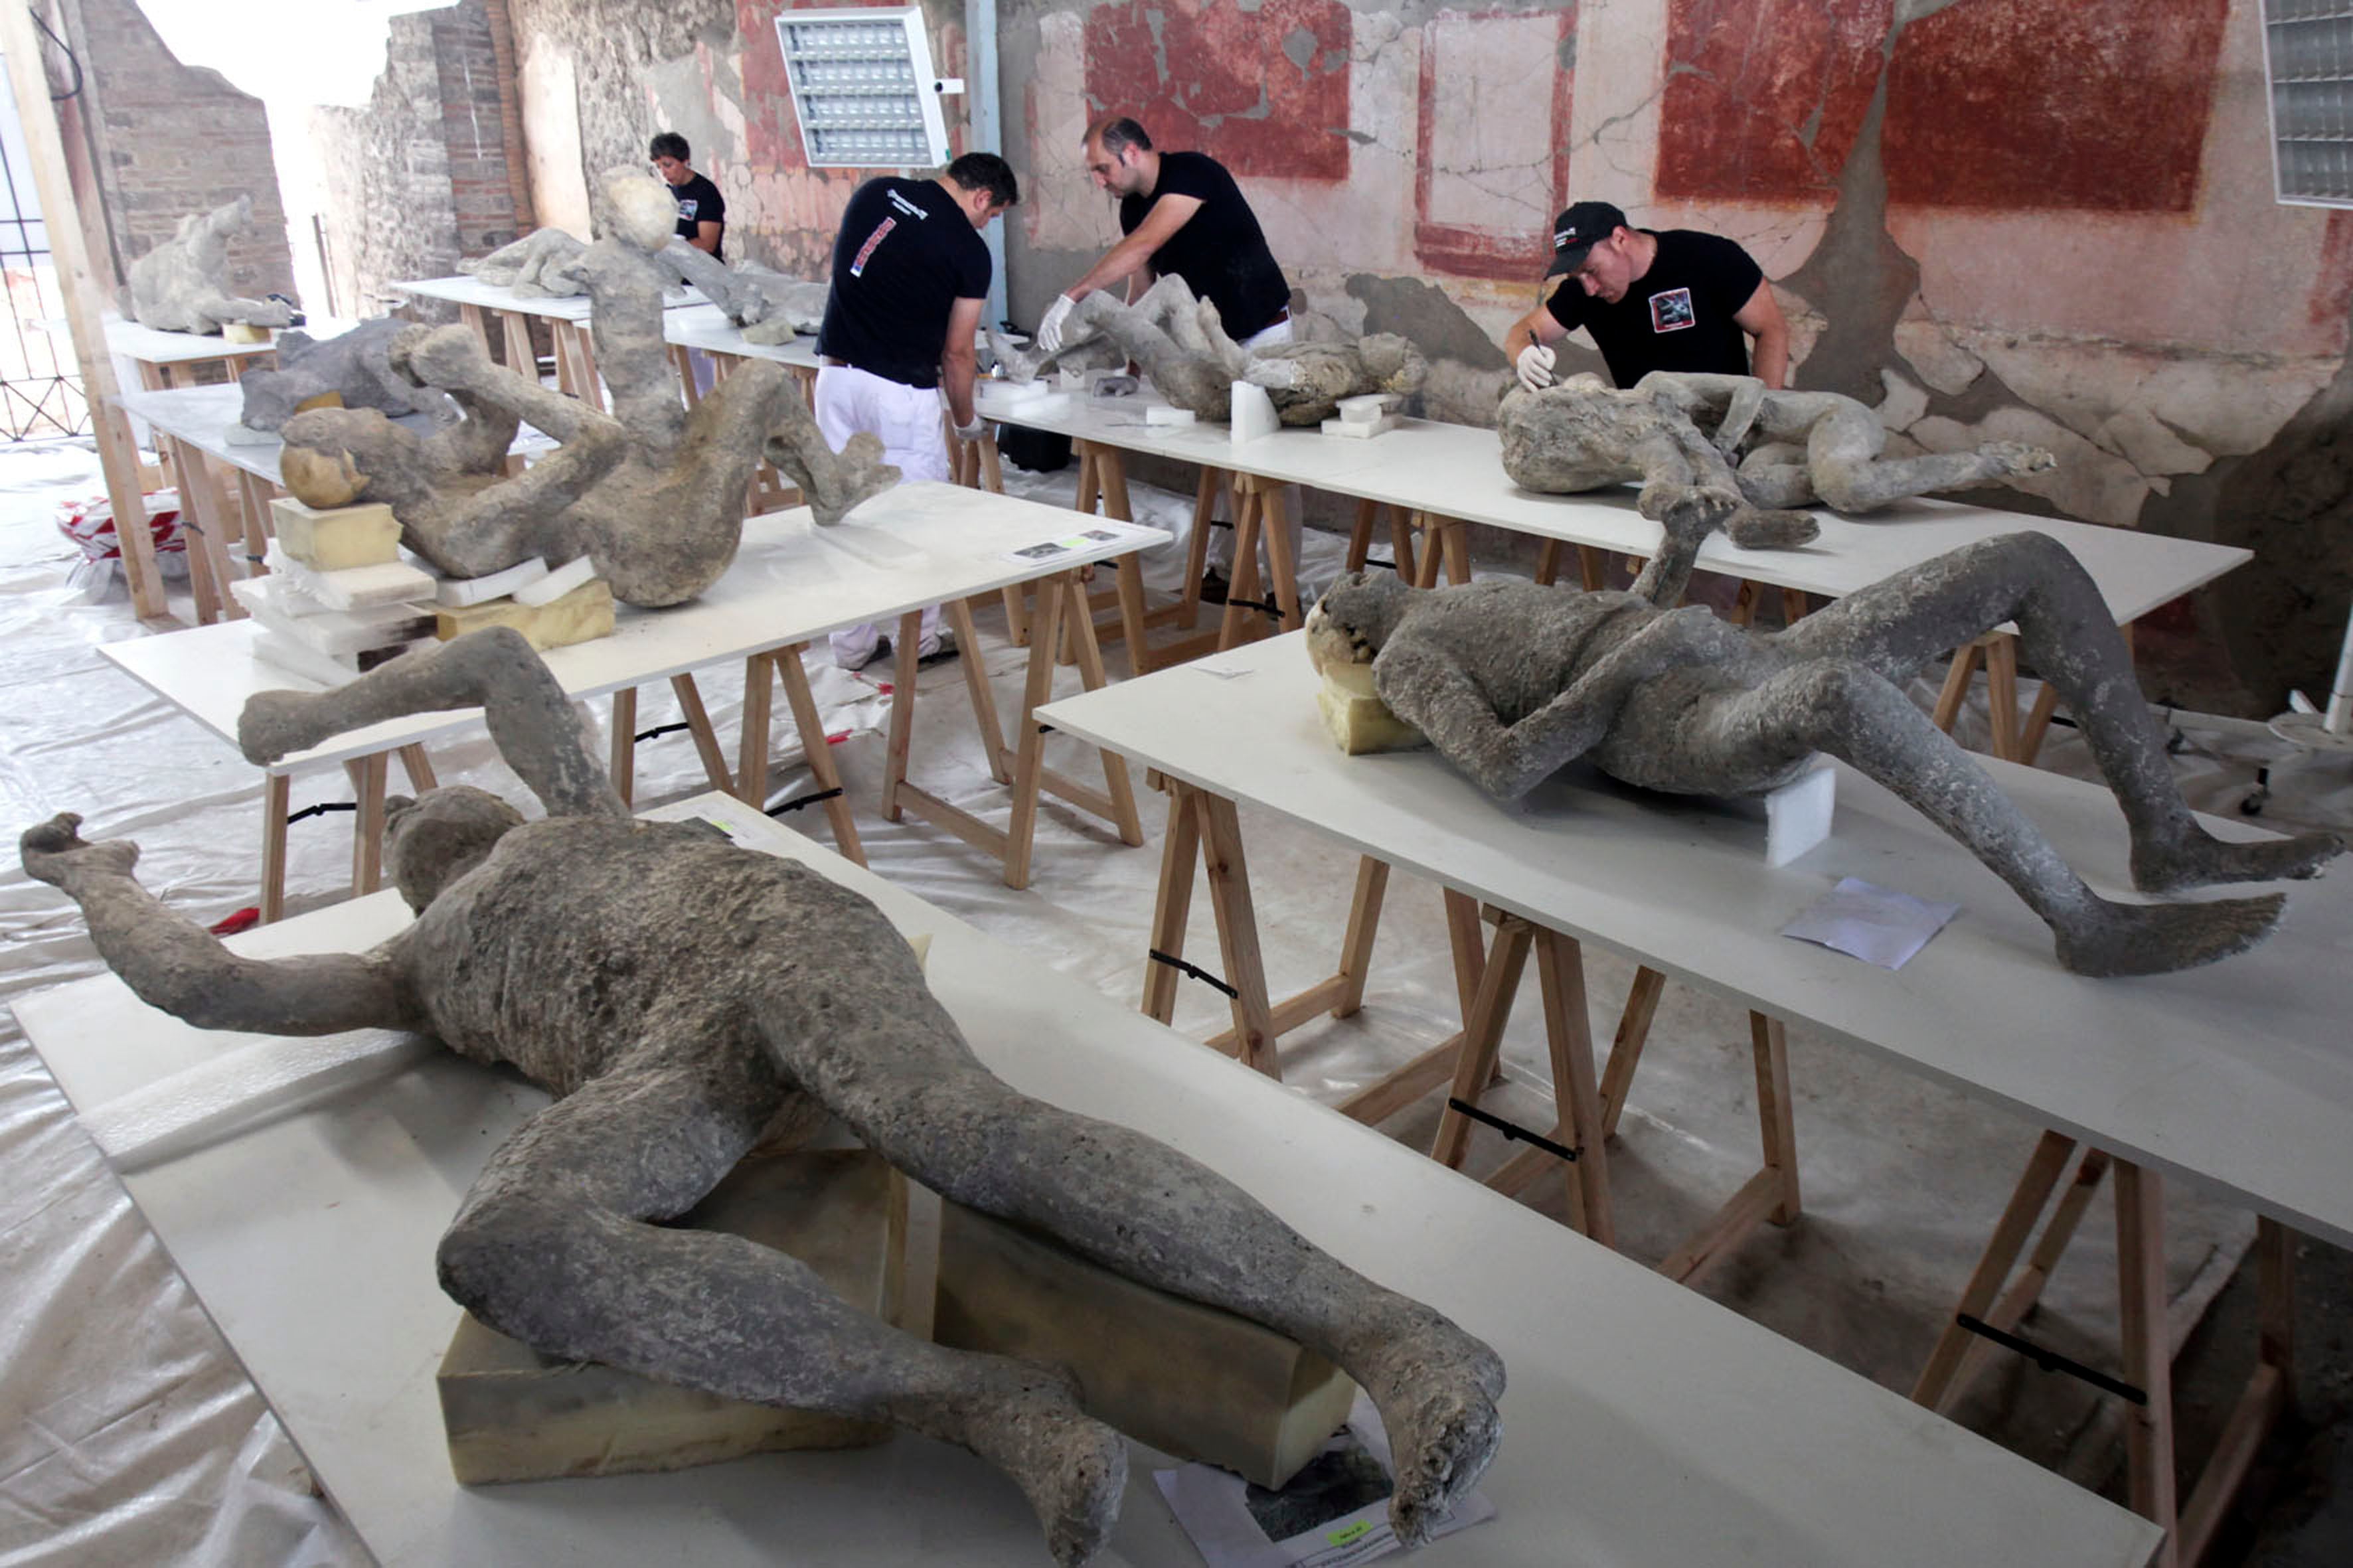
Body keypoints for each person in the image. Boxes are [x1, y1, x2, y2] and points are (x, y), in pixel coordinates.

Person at [20, 628, 1506, 1568]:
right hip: (660, 1058)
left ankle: (1402, 1332)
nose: (431, 815)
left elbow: (494, 665)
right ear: (414, 873)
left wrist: (303, 713)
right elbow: (209, 988)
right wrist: (100, 878)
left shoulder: (575, 815)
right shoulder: (403, 968)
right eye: (416, 822)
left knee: (965, 1130)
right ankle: (983, 1403)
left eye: (435, 804)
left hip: (756, 934)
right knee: (504, 1243)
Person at [1305, 540, 2344, 977]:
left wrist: (1674, 555)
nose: (1344, 579)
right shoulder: (1407, 658)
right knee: (1843, 694)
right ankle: (2083, 921)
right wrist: (1630, 670)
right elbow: (1504, 767)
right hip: (1663, 724)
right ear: (1347, 642)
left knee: (2024, 561)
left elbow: (1604, 623)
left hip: (1705, 655)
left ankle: (2167, 836)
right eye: (1331, 598)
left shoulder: (1457, 593)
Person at [1039, 117, 1296, 597]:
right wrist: (1130, 368)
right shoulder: (1133, 207)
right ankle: (1226, 571)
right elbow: (1143, 282)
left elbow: (1144, 247)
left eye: (1102, 169)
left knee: (1270, 464)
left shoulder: (1193, 174)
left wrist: (1074, 295)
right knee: (1220, 457)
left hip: (1261, 333)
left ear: (1132, 152)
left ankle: (1284, 582)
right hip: (1207, 341)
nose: (1099, 182)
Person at [815, 151, 1018, 669]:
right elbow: (958, 352)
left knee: (844, 515)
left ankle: (852, 646)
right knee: (918, 520)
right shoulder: (968, 252)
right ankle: (919, 643)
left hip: (835, 378)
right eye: (991, 215)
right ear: (981, 197)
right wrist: (968, 420)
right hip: (898, 395)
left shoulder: (874, 192)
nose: (986, 225)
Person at [1503, 200, 1788, 398]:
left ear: (1620, 239)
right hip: (1650, 433)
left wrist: (1760, 414)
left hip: (1722, 423)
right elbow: (1524, 331)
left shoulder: (1708, 258)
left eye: (1592, 270)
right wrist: (1524, 354)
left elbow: (1771, 329)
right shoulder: (1582, 288)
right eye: (1577, 277)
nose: (1589, 288)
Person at [651, 132, 725, 260]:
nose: (663, 172)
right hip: (678, 273)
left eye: (668, 165)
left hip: (704, 274)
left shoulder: (706, 193)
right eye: (659, 167)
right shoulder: (669, 192)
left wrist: (669, 249)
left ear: (685, 161)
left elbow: (708, 244)